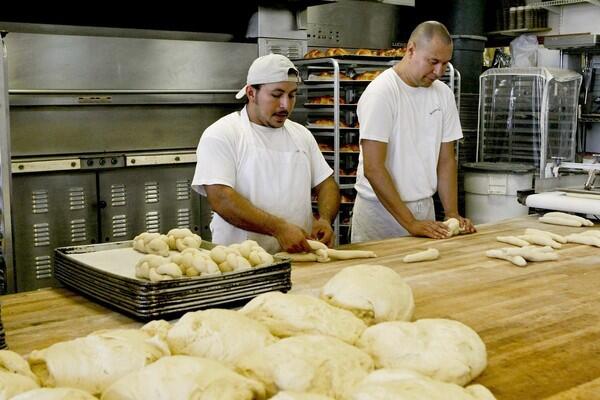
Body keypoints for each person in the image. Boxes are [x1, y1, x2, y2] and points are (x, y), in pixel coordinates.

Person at [192, 53, 340, 253]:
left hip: (300, 256)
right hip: (241, 262)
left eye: (292, 95)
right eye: (276, 95)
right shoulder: (223, 134)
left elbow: (326, 184)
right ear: (251, 93)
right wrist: (278, 229)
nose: (285, 105)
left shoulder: (301, 134)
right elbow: (221, 198)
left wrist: (324, 219)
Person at [351, 21, 476, 242]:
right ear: (411, 50)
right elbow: (373, 168)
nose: (439, 72)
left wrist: (451, 213)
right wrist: (410, 223)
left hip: (424, 209)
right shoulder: (382, 92)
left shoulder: (443, 94)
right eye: (433, 62)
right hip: (380, 213)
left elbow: (446, 160)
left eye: (445, 64)